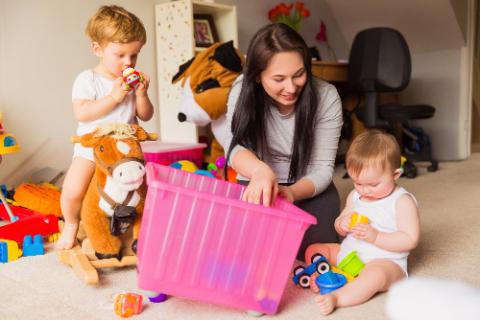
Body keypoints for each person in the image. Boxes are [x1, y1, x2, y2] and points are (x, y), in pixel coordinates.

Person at [222, 23, 343, 260]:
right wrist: (260, 171)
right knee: (247, 254)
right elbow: (233, 145)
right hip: (256, 186)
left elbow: (323, 169)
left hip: (307, 189)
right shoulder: (241, 89)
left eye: (299, 74)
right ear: (257, 76)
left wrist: (291, 193)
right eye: (279, 78)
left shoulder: (326, 96)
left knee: (313, 255)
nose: (291, 87)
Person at [56, 5, 154, 250]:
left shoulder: (131, 82)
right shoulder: (88, 79)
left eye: (134, 55)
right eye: (120, 55)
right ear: (98, 49)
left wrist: (141, 95)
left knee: (141, 193)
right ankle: (71, 222)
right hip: (93, 147)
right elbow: (82, 112)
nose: (128, 62)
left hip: (125, 152)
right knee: (73, 189)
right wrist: (114, 97)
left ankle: (136, 228)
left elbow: (146, 115)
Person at [305, 130, 420, 315]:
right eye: (357, 182)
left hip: (384, 262)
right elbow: (340, 224)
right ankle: (325, 276)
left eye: (373, 184)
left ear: (395, 174)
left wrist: (376, 237)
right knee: (314, 250)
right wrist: (342, 224)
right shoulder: (356, 196)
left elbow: (410, 239)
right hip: (350, 255)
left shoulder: (402, 201)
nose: (364, 190)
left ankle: (338, 297)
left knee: (375, 277)